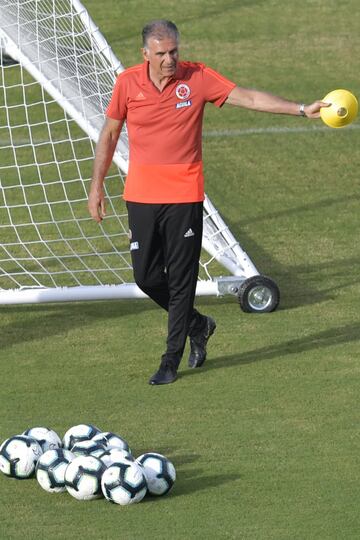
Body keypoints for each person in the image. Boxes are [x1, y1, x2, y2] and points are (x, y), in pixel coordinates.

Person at [88, 19, 328, 385]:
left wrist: (300, 108)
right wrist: (96, 186)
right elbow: (109, 133)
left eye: (174, 52)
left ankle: (171, 359)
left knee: (181, 281)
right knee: (147, 276)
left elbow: (247, 97)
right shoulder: (127, 84)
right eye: (162, 54)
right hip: (141, 195)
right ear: (145, 54)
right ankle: (199, 324)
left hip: (184, 194)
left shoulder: (197, 78)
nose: (170, 60)